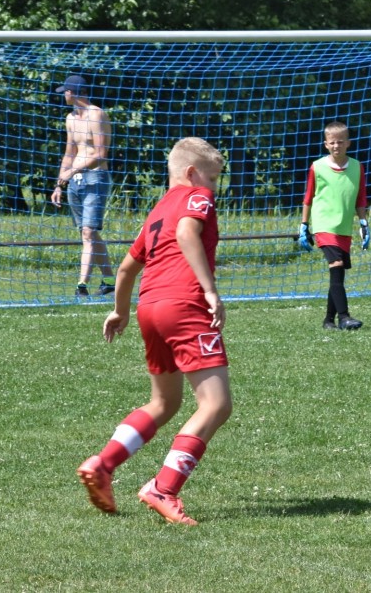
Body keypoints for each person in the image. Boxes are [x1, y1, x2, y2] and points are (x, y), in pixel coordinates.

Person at [76, 137, 232, 526]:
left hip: (150, 307)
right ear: (192, 173)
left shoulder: (158, 210)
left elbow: (126, 268)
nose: (215, 188)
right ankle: (163, 488)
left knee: (164, 402)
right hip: (185, 305)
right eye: (213, 178)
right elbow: (187, 234)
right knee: (215, 404)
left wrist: (120, 311)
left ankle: (103, 464)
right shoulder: (197, 197)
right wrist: (210, 290)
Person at [297, 120, 370, 330]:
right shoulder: (318, 167)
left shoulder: (357, 167)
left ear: (348, 143)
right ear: (326, 144)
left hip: (344, 227)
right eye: (332, 142)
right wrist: (304, 225)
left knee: (338, 273)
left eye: (340, 141)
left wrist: (363, 223)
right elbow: (308, 198)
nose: (336, 145)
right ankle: (344, 317)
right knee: (336, 265)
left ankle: (328, 320)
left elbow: (360, 198)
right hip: (324, 225)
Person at [50, 74, 116, 298]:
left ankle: (81, 286)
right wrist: (59, 184)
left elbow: (100, 154)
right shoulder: (70, 118)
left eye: (65, 92)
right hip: (75, 182)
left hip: (95, 178)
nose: (63, 96)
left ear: (71, 93)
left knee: (88, 232)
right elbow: (69, 153)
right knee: (89, 234)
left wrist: (74, 171)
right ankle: (109, 281)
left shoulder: (97, 115)